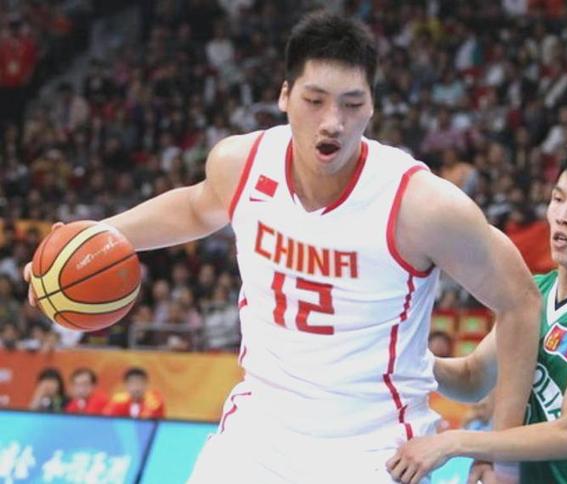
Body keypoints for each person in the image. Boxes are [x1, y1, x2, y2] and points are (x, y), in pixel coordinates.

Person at [25, 11, 540, 483]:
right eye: (315, 101)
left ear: (372, 107)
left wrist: (500, 453)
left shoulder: (421, 205)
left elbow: (520, 301)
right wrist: (88, 240)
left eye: (352, 103)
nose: (333, 121)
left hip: (373, 449)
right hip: (257, 434)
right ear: (285, 96)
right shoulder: (242, 163)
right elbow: (195, 208)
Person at [387, 141, 567, 484]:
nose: (563, 215)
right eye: (558, 198)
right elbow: (472, 378)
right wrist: (402, 357)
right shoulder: (532, 294)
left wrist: (454, 443)